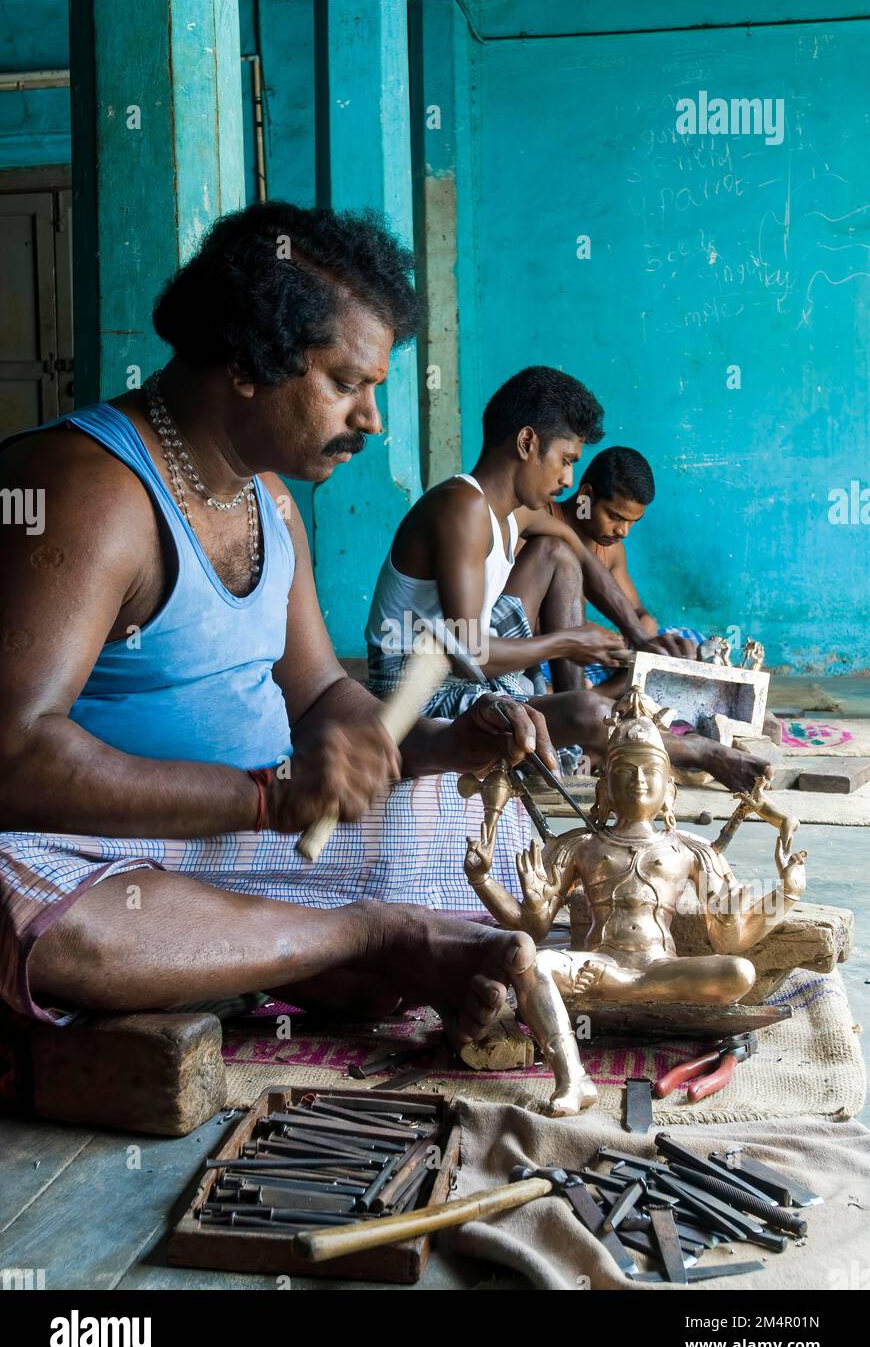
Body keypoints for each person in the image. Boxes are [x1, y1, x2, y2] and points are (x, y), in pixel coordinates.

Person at [0, 201, 552, 1039]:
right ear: (248, 364)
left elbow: (323, 690)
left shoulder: (272, 504)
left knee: (489, 823)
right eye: (345, 384)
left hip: (236, 841)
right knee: (31, 913)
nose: (371, 419)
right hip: (89, 852)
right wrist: (267, 798)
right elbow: (15, 753)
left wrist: (412, 742)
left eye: (375, 388)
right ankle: (357, 940)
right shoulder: (89, 489)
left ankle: (269, 954)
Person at [365, 367, 770, 789]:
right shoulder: (462, 507)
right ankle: (696, 753)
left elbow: (576, 553)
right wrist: (569, 641)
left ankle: (570, 739)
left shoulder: (509, 512)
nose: (567, 480)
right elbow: (471, 654)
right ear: (527, 443)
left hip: (460, 664)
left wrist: (636, 635)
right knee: (590, 711)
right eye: (566, 460)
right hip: (416, 692)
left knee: (556, 552)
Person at [549, 445, 704, 690]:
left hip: (599, 652)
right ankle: (594, 697)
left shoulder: (610, 549)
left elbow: (637, 612)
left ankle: (607, 690)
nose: (623, 531)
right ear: (585, 497)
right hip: (550, 652)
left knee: (691, 642)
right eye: (615, 517)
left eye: (632, 522)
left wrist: (643, 630)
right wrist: (603, 638)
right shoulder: (542, 529)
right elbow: (527, 622)